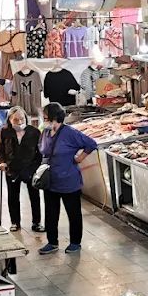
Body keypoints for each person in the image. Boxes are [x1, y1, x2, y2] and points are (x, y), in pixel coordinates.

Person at [38, 102, 98, 254]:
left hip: (68, 180)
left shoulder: (70, 133)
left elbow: (91, 144)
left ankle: (75, 242)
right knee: (51, 213)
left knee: (73, 212)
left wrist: (79, 159)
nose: (44, 120)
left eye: (46, 118)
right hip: (50, 180)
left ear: (55, 118)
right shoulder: (45, 132)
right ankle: (52, 242)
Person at [0, 106, 43, 232]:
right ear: (9, 120)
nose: (19, 122)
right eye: (16, 120)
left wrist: (36, 167)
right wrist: (0, 162)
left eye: (22, 119)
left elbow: (40, 152)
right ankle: (15, 222)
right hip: (11, 168)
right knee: (13, 196)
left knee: (34, 196)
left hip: (30, 168)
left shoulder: (34, 132)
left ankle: (36, 222)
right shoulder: (3, 131)